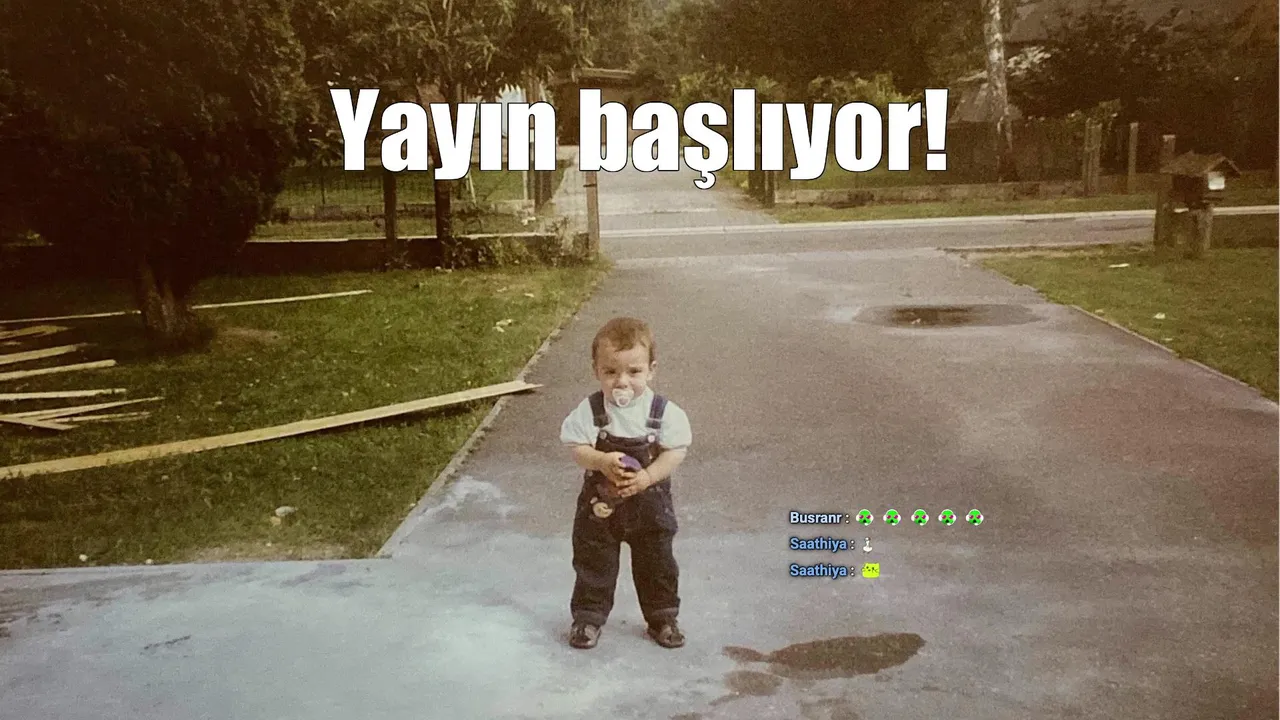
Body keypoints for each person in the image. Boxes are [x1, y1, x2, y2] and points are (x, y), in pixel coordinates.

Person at [559, 317, 691, 650]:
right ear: (596, 370)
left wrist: (648, 476)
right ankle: (588, 617)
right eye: (610, 371)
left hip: (650, 506)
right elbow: (577, 447)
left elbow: (676, 451)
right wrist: (601, 461)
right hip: (600, 509)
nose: (622, 381)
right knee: (593, 562)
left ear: (651, 370)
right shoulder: (591, 410)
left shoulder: (663, 412)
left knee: (657, 563)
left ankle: (662, 617)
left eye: (634, 372)